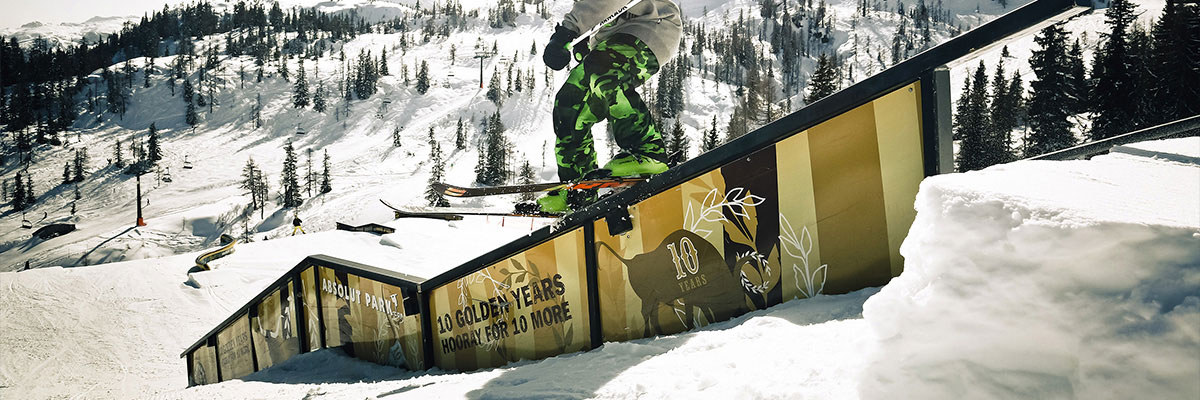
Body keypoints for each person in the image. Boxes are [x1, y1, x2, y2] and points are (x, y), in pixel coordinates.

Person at [538, 0, 683, 213]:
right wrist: (585, 41)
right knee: (569, 103)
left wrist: (567, 32)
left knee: (603, 74)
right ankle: (577, 188)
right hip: (614, 36)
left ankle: (647, 153)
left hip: (652, 23)